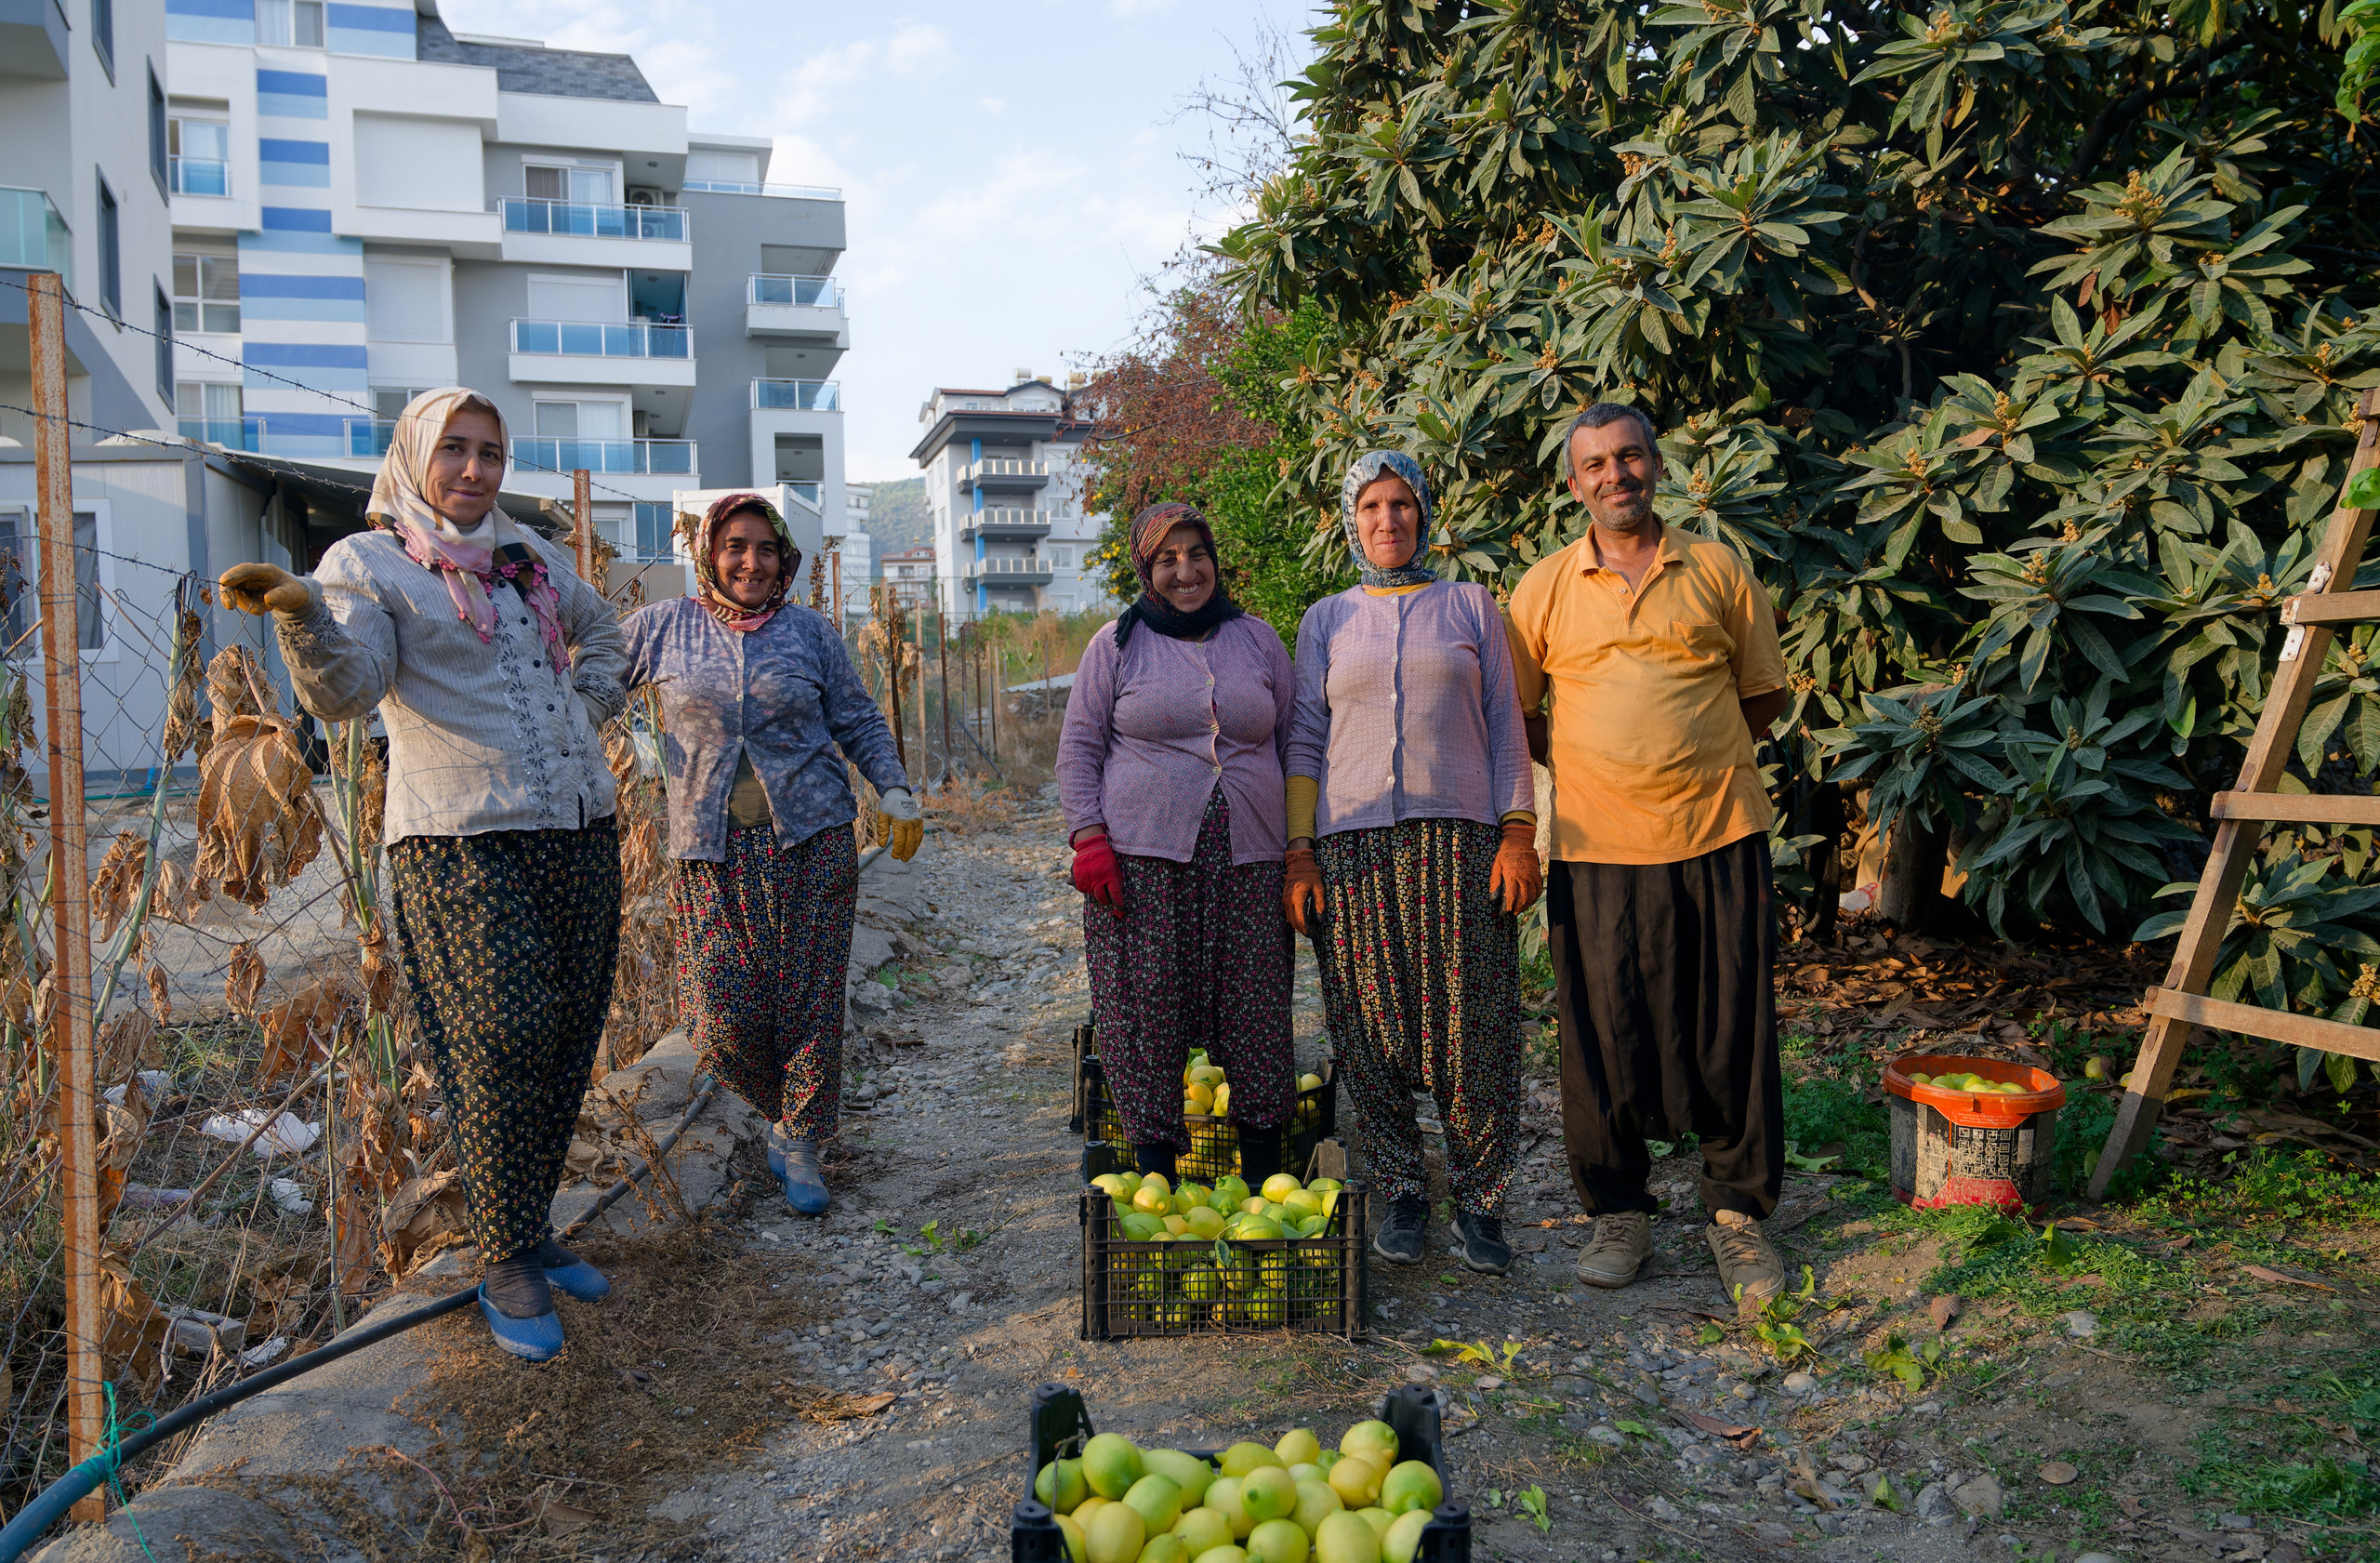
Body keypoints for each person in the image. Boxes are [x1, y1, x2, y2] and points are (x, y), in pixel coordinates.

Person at [218, 387, 628, 1362]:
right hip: (460, 838)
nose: (476, 470)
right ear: (415, 456)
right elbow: (349, 691)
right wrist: (304, 616)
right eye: (455, 450)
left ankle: (530, 1222)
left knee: (569, 1026)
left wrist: (590, 703)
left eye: (490, 451)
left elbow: (602, 628)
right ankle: (502, 1256)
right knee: (500, 1033)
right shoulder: (368, 563)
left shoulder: (530, 557)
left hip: (579, 824)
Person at [1504, 402, 1792, 1311]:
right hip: (1594, 846)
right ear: (1571, 483)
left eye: (1628, 457)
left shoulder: (1714, 567)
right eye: (1594, 464)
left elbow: (1760, 697)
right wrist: (1608, 767)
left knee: (1730, 1027)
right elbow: (1520, 716)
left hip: (1718, 828)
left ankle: (1739, 1215)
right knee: (1602, 1033)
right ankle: (1617, 1210)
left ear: (1655, 465)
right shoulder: (1542, 588)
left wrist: (1684, 757)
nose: (1614, 475)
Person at [622, 494, 919, 1218]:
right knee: (719, 1018)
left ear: (783, 556)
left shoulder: (810, 632)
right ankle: (782, 1109)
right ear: (709, 556)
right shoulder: (664, 627)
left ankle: (805, 1137)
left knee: (812, 1003)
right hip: (710, 853)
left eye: (763, 548)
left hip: (813, 842)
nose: (750, 562)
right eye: (734, 547)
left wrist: (896, 788)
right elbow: (588, 674)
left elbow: (856, 716)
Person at [1282, 452, 1541, 1275]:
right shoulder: (1325, 619)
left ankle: (1480, 1200)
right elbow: (1304, 740)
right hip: (1352, 848)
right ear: (1350, 521)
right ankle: (1401, 1187)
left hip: (1461, 843)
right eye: (1370, 507)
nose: (1387, 520)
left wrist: (1518, 831)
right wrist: (1299, 850)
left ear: (1423, 514)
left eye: (1401, 505)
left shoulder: (1470, 605)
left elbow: (1508, 725)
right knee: (1369, 1026)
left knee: (1474, 1024)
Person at [1055, 502, 1298, 1188]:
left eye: (1197, 553)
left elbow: (1295, 742)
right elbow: (1078, 748)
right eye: (1168, 558)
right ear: (1146, 569)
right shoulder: (1117, 645)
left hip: (1251, 861)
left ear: (1215, 561)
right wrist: (1090, 838)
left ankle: (1260, 1183)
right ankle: (1157, 1172)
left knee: (1256, 1015)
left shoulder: (1257, 640)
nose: (1186, 570)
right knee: (1147, 1010)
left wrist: (1300, 845)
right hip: (1142, 864)